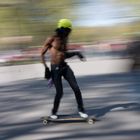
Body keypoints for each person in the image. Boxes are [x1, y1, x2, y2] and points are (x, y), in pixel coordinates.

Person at [41, 19, 88, 119]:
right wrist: (46, 68)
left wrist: (76, 53)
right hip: (55, 69)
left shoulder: (65, 39)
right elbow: (42, 53)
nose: (70, 32)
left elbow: (64, 55)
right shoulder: (52, 38)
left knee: (76, 88)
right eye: (69, 30)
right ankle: (54, 112)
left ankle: (81, 109)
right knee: (60, 92)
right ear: (63, 29)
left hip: (64, 67)